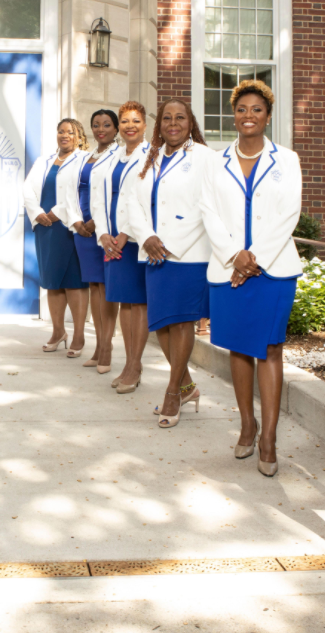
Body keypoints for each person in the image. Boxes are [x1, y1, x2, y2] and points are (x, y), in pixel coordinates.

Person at [201, 80, 303, 475]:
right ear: (233, 114)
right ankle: (247, 424)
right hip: (227, 269)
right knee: (240, 350)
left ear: (268, 115)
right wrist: (234, 257)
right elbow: (207, 212)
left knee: (270, 349)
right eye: (242, 109)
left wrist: (254, 259)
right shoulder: (214, 161)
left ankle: (270, 436)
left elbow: (288, 214)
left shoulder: (288, 160)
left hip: (273, 270)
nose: (248, 115)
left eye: (256, 109)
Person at [125, 99, 214, 428]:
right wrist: (146, 236)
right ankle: (188, 385)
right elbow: (133, 201)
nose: (173, 123)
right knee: (161, 324)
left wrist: (168, 245)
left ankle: (173, 392)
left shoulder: (205, 158)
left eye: (180, 117)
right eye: (167, 118)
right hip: (153, 252)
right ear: (159, 124)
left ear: (191, 122)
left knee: (181, 324)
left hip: (188, 255)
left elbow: (207, 207)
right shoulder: (149, 156)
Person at [22, 118, 90, 356]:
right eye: (61, 131)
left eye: (70, 132)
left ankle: (79, 334)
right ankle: (58, 331)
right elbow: (27, 188)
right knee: (52, 282)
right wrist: (39, 213)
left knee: (74, 282)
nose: (64, 136)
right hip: (46, 228)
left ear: (79, 136)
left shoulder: (84, 160)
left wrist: (57, 212)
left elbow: (81, 191)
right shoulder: (44, 161)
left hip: (69, 226)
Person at [96, 101, 150, 394]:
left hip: (133, 240)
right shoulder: (111, 157)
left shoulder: (151, 155)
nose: (130, 126)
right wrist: (104, 233)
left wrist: (125, 234)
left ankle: (135, 365)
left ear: (145, 125)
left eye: (135, 121)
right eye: (125, 121)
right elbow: (98, 195)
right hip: (111, 240)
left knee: (136, 303)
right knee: (123, 303)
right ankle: (129, 364)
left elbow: (142, 199)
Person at [63, 109, 120, 373]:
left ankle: (107, 347)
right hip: (82, 231)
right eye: (96, 124)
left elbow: (114, 195)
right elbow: (71, 191)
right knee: (95, 288)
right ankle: (98, 345)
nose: (101, 129)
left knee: (107, 289)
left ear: (116, 128)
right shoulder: (85, 156)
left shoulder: (119, 156)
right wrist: (76, 221)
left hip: (103, 229)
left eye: (107, 125)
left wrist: (95, 223)